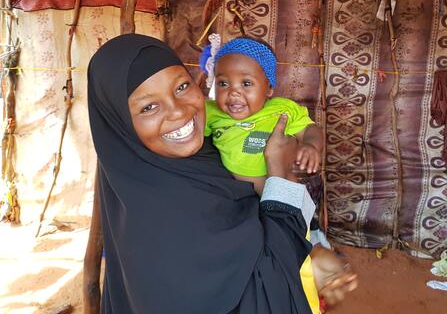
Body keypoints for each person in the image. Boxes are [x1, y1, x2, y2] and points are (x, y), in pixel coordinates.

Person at [87, 34, 356, 314]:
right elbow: (261, 296)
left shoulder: (201, 154)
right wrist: (279, 173)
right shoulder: (157, 217)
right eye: (148, 106)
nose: (179, 111)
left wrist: (306, 253)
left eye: (181, 86)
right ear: (120, 123)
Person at [202, 37, 324, 313]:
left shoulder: (282, 109)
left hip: (280, 201)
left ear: (269, 87)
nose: (233, 94)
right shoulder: (209, 114)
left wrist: (311, 146)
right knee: (251, 262)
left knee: (293, 258)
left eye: (246, 84)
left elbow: (311, 129)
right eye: (223, 83)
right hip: (238, 208)